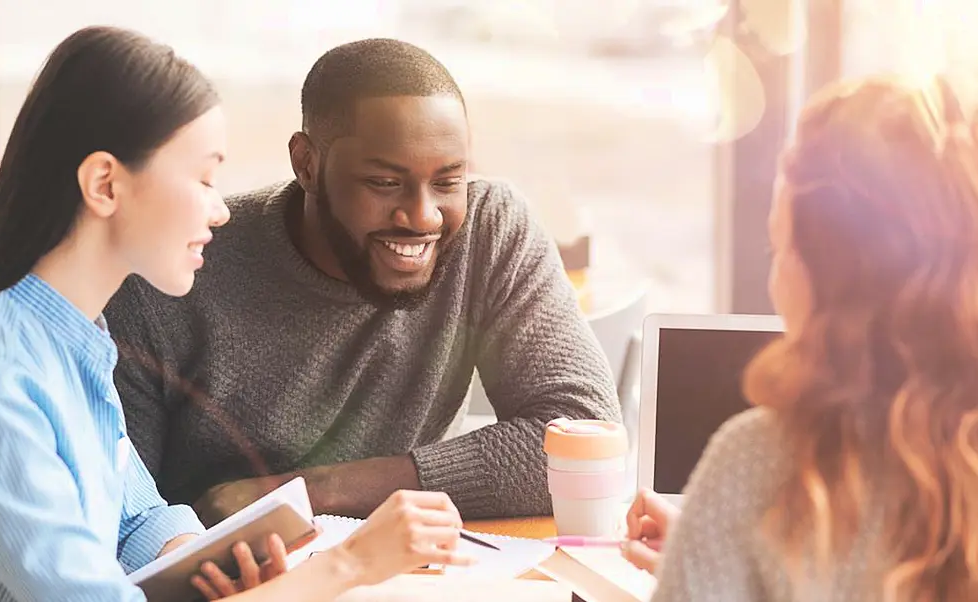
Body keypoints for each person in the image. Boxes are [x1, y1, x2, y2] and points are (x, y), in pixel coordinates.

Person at [0, 26, 472, 602]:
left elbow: (138, 522)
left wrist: (213, 565)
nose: (220, 211)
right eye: (203, 177)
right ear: (105, 184)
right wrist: (350, 564)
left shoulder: (75, 339)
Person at [103, 38, 620, 524]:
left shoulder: (489, 229)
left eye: (448, 181)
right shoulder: (173, 271)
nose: (423, 216)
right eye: (384, 183)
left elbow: (585, 439)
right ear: (306, 164)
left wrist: (306, 493)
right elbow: (119, 519)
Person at [622, 74, 978, 601]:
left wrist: (720, 540)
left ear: (823, 282)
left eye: (779, 249)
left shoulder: (756, 463)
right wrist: (711, 545)